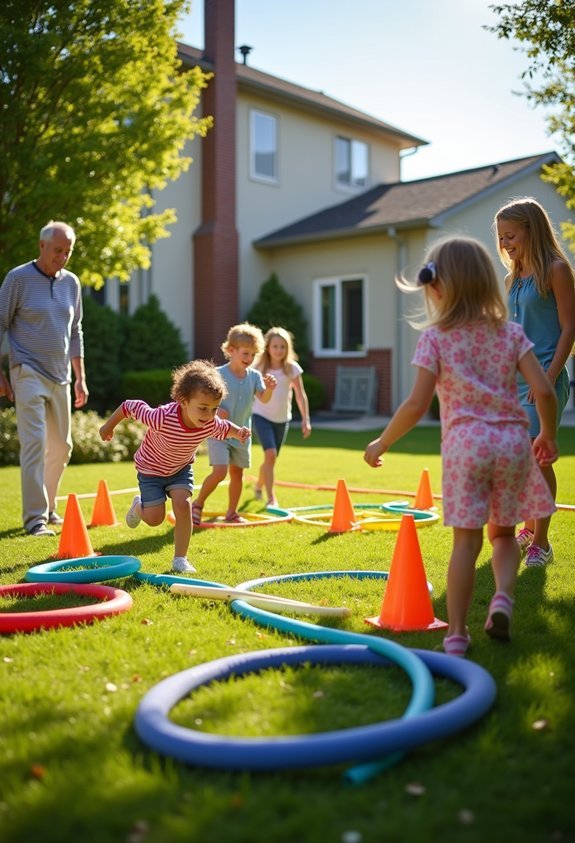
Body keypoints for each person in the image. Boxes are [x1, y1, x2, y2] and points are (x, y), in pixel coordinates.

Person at [363, 237, 558, 658]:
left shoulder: (436, 339)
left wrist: (382, 441)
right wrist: (547, 435)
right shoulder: (511, 333)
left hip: (465, 447)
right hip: (510, 443)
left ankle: (455, 633)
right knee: (504, 536)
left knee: (466, 545)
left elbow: (416, 405)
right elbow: (544, 390)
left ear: (436, 287)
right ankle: (503, 597)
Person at [99, 360, 251, 573]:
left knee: (183, 504)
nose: (208, 415)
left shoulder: (208, 422)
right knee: (154, 519)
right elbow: (129, 406)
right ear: (183, 401)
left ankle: (180, 559)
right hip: (151, 470)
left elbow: (225, 428)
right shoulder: (162, 417)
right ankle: (138, 506)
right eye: (203, 408)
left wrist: (240, 432)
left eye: (214, 409)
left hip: (180, 470)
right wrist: (108, 426)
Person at [495, 197, 575, 567]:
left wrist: (550, 375)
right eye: (501, 238)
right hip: (512, 381)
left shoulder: (556, 270)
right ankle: (529, 527)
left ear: (532, 230)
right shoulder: (514, 278)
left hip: (544, 376)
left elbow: (570, 327)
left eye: (511, 235)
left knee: (537, 456)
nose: (506, 243)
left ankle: (541, 542)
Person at [0, 220, 88, 537]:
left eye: (67, 252)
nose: (62, 257)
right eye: (57, 250)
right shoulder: (18, 279)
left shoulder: (72, 284)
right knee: (35, 442)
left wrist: (80, 377)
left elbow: (76, 331)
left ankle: (50, 507)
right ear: (41, 246)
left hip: (61, 375)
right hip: (26, 370)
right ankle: (35, 518)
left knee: (62, 447)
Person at [191, 323, 277, 526]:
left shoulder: (254, 376)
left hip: (242, 434)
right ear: (231, 350)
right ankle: (198, 504)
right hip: (218, 432)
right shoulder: (218, 374)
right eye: (245, 353)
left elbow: (263, 398)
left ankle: (232, 512)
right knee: (220, 471)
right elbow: (206, 397)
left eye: (253, 354)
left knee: (238, 473)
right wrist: (216, 410)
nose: (249, 358)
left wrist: (271, 388)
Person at [252, 327, 312, 507]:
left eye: (283, 347)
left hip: (282, 419)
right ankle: (271, 498)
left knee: (271, 458)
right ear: (267, 347)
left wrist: (305, 419)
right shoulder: (259, 368)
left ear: (288, 349)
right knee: (270, 455)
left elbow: (301, 395)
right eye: (275, 346)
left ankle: (258, 485)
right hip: (260, 416)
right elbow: (253, 394)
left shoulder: (292, 369)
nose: (279, 350)